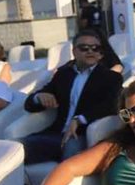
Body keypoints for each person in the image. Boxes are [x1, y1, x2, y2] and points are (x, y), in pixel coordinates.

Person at [20, 29, 125, 165]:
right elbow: (29, 104)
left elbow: (111, 106)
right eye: (84, 48)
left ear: (100, 53)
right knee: (15, 149)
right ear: (74, 51)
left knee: (70, 154)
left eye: (95, 48)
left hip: (83, 135)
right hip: (56, 133)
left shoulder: (111, 77)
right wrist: (39, 97)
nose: (90, 51)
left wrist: (80, 119)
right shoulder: (63, 75)